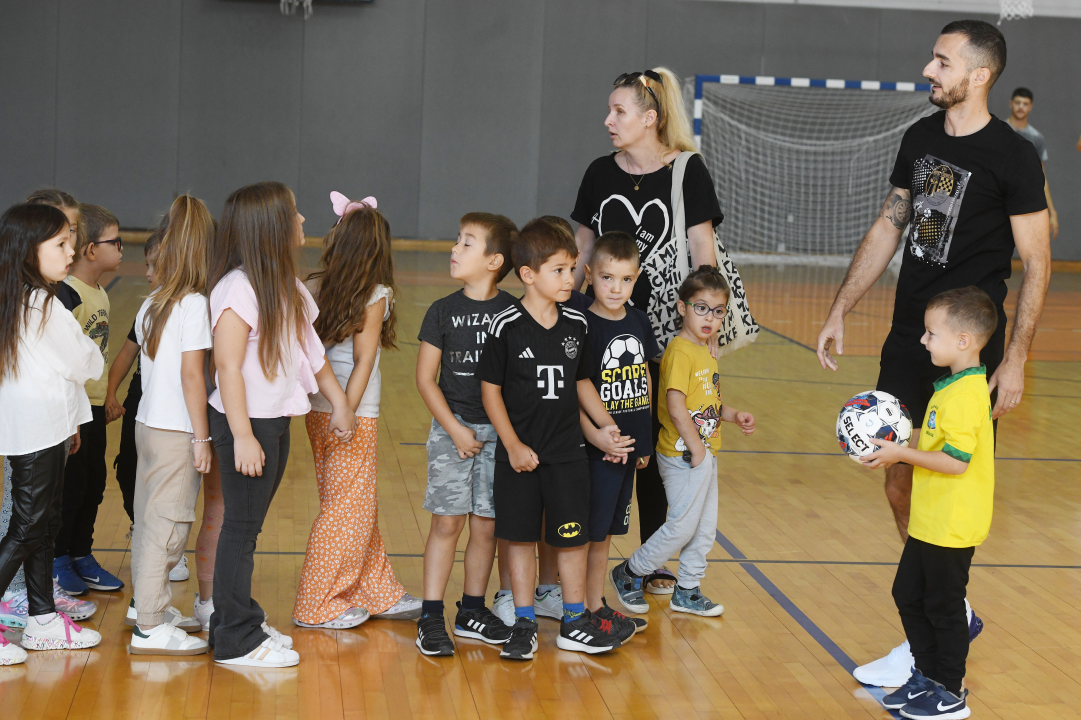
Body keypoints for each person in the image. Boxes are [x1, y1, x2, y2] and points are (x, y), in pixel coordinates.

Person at [814, 20, 1050, 687]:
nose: (928, 69)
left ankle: (938, 630)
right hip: (910, 338)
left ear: (979, 75)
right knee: (896, 477)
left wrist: (1016, 358)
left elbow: (1037, 263)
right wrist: (839, 309)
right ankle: (947, 618)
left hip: (969, 353)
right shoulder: (919, 138)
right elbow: (889, 225)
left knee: (947, 484)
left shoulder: (1012, 157)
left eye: (942, 61)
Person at [571, 68, 724, 594]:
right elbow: (582, 247)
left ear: (650, 118)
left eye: (619, 111)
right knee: (601, 432)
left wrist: (707, 323)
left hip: (662, 330)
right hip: (602, 326)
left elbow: (702, 249)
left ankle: (652, 558)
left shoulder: (687, 170)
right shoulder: (599, 172)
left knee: (657, 440)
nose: (608, 120)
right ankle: (582, 556)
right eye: (609, 110)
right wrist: (564, 309)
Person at [206, 181, 355, 668]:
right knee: (242, 529)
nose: (303, 220)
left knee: (248, 527)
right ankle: (235, 638)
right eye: (294, 213)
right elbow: (227, 366)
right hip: (245, 424)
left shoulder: (285, 286)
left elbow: (312, 355)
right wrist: (243, 435)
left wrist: (339, 403)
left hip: (273, 421)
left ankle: (235, 619)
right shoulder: (238, 288)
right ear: (269, 226)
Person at [478, 218, 624, 661]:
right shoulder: (505, 325)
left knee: (572, 538)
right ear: (528, 274)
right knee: (521, 539)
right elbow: (490, 392)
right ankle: (523, 622)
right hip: (519, 457)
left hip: (567, 455)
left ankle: (574, 621)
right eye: (558, 270)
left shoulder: (577, 322)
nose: (569, 279)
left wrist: (605, 424)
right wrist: (512, 445)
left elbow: (582, 382)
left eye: (571, 269)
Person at [861, 287, 997, 720]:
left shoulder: (967, 395)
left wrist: (901, 453)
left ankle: (950, 690)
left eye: (931, 333)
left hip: (952, 523)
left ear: (963, 340)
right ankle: (925, 675)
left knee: (944, 606)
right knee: (907, 593)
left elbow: (955, 462)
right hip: (930, 519)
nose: (923, 340)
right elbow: (937, 443)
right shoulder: (951, 386)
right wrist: (894, 443)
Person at [292, 197, 421, 630]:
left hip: (320, 408)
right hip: (352, 412)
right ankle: (316, 603)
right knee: (345, 507)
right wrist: (346, 408)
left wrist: (335, 407)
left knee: (354, 502)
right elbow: (364, 360)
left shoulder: (316, 284)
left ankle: (376, 589)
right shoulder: (375, 293)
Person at [610, 266, 754, 618]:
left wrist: (733, 415)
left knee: (704, 530)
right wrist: (697, 447)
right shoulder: (679, 351)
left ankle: (688, 590)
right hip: (682, 454)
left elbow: (706, 403)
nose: (709, 317)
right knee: (681, 526)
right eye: (701, 308)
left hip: (703, 453)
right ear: (682, 307)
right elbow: (675, 407)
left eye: (717, 311)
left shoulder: (706, 351)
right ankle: (630, 571)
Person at [0, 203, 104, 664]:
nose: (71, 251)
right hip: (38, 430)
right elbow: (86, 362)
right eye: (60, 243)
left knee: (42, 525)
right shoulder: (42, 304)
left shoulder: (22, 297)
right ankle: (38, 616)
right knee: (28, 527)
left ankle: (42, 619)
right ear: (29, 250)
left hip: (46, 427)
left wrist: (73, 419)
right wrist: (85, 354)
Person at [414, 212, 518, 656]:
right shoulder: (442, 310)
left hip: (498, 434)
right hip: (451, 430)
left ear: (494, 261)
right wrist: (455, 429)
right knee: (447, 522)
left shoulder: (513, 313)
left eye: (466, 243)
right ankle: (430, 615)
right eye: (458, 240)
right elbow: (425, 379)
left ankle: (472, 610)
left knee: (486, 525)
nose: (454, 249)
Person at [126, 196, 216, 655]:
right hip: (176, 431)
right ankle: (149, 626)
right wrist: (202, 436)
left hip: (146, 425)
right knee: (168, 528)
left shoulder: (152, 302)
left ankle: (148, 607)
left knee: (148, 521)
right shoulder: (194, 304)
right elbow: (191, 376)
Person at [578, 231, 655, 637]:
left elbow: (643, 380)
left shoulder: (638, 320)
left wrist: (643, 442)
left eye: (625, 280)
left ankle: (596, 603)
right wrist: (599, 433)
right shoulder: (582, 324)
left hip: (628, 450)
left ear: (636, 279)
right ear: (589, 274)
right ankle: (582, 606)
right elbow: (576, 387)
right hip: (598, 450)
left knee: (607, 532)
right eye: (607, 278)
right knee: (589, 532)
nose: (615, 288)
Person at [53, 204, 126, 596]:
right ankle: (58, 557)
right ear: (91, 250)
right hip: (75, 412)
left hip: (95, 408)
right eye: (116, 242)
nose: (122, 248)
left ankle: (82, 553)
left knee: (94, 484)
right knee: (72, 487)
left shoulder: (99, 293)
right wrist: (73, 416)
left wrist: (108, 395)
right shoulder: (69, 295)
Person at [105, 226, 164, 528]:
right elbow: (127, 353)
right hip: (138, 398)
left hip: (168, 404)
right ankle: (138, 524)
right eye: (146, 265)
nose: (148, 274)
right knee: (128, 466)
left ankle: (162, 539)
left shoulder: (194, 308)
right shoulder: (148, 307)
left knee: (163, 474)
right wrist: (111, 393)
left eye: (155, 266)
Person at [1006, 88, 1058, 240]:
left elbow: (1041, 177)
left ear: (1030, 107)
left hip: (1025, 203)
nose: (1021, 107)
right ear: (1011, 103)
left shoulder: (1036, 138)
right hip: (998, 200)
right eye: (1018, 102)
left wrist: (1052, 212)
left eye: (1025, 104)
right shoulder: (998, 130)